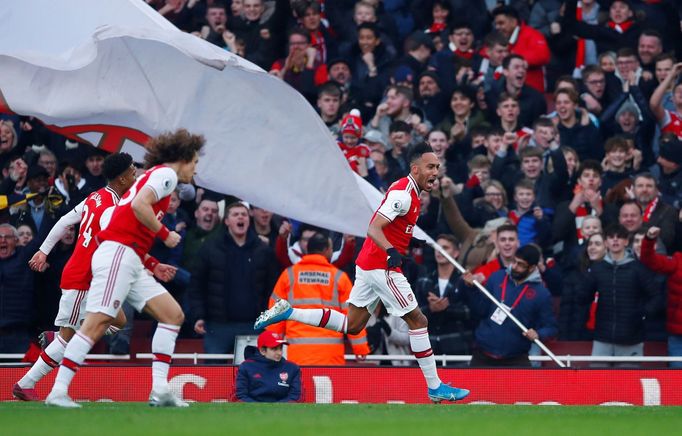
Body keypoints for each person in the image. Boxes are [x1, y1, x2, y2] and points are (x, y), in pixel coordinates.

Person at [255, 143, 469, 403]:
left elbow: (389, 226)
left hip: (368, 264)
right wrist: (392, 251)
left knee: (353, 325)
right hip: (382, 267)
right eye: (430, 167)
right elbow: (374, 228)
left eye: (437, 166)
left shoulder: (408, 190)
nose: (436, 171)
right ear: (416, 169)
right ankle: (435, 387)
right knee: (419, 321)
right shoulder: (403, 194)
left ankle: (289, 311)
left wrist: (407, 241)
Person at [45, 129, 203, 408]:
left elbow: (123, 219)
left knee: (172, 315)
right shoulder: (166, 175)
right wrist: (165, 234)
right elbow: (141, 206)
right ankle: (58, 391)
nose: (195, 169)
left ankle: (161, 391)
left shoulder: (152, 175)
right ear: (184, 157)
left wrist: (150, 262)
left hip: (127, 257)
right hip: (119, 254)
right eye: (195, 162)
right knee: (97, 323)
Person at [12, 153, 138, 402]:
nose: (136, 176)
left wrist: (43, 251)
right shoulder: (112, 209)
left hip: (92, 278)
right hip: (83, 278)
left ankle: (58, 337)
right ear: (122, 179)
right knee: (70, 336)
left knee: (120, 320)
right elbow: (110, 242)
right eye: (133, 172)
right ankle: (26, 383)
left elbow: (64, 221)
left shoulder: (96, 197)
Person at [265, 232, 369, 365]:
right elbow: (352, 318)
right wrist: (361, 350)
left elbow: (275, 315)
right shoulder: (338, 277)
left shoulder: (289, 275)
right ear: (326, 250)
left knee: (300, 386)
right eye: (331, 249)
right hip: (330, 357)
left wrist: (271, 348)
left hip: (297, 356)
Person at [188, 201, 279, 354]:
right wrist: (198, 316)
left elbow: (273, 289)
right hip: (218, 326)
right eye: (235, 214)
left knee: (255, 374)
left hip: (254, 325)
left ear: (249, 220)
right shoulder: (210, 248)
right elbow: (196, 285)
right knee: (215, 374)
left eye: (243, 214)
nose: (240, 217)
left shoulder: (263, 251)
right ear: (227, 221)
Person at [577, 224, 661, 366]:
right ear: (606, 242)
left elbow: (657, 296)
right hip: (602, 337)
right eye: (611, 237)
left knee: (629, 385)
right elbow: (582, 298)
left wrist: (642, 314)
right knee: (597, 383)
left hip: (631, 338)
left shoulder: (638, 269)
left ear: (626, 241)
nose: (615, 241)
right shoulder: (597, 269)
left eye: (620, 237)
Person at [462, 244, 558, 367]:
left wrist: (538, 334)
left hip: (516, 359)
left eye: (521, 264)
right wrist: (472, 289)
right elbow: (480, 310)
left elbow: (551, 327)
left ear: (532, 268)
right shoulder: (496, 277)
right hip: (483, 356)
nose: (514, 266)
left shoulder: (541, 294)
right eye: (514, 261)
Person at [640, 226, 682, 368]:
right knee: (677, 380)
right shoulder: (677, 260)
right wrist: (650, 240)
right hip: (678, 335)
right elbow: (648, 260)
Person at [235, 331, 301, 403]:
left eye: (280, 348)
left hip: (282, 412)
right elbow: (240, 397)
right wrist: (259, 409)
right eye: (274, 349)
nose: (279, 353)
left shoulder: (292, 368)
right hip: (252, 412)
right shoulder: (246, 367)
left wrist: (276, 409)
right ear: (262, 351)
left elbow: (295, 397)